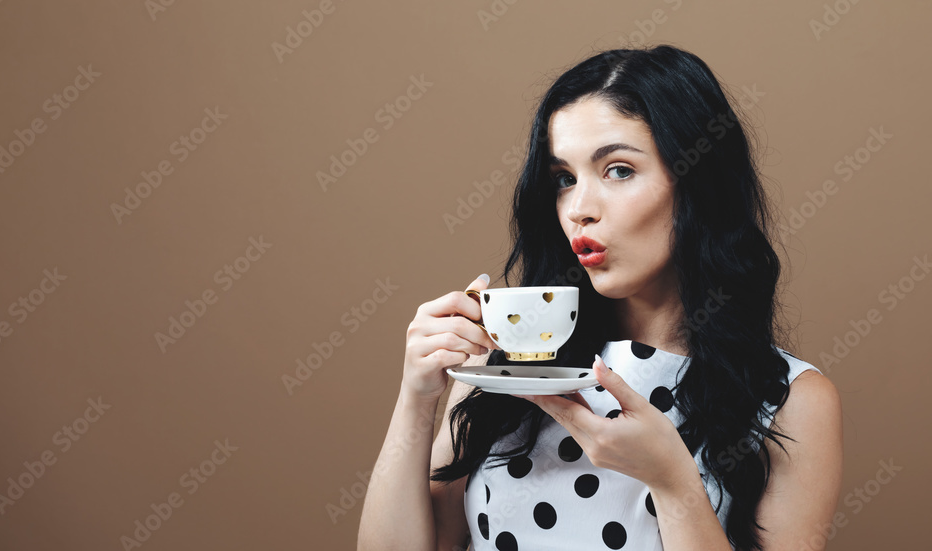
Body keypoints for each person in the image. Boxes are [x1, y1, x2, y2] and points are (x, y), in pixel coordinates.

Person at [357, 45, 842, 551]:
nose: (579, 209)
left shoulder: (792, 400)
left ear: (697, 183)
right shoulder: (504, 372)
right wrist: (416, 398)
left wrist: (674, 485)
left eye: (618, 170)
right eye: (564, 179)